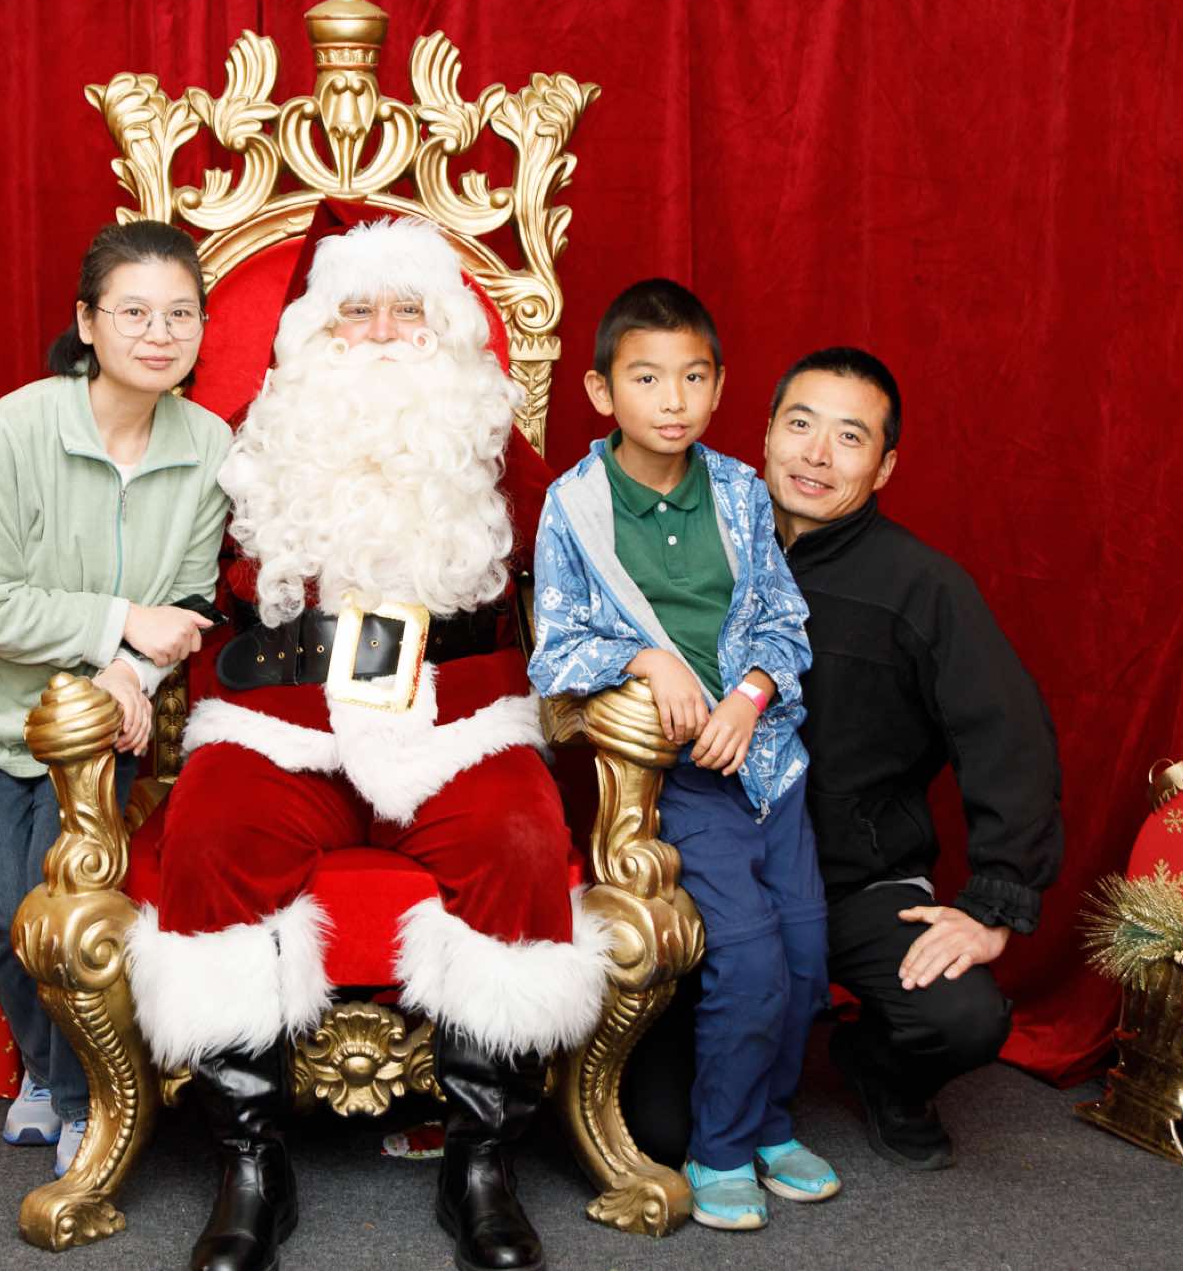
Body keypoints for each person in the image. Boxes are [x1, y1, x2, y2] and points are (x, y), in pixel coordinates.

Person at [128, 215, 605, 1271]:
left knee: (522, 840)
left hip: (455, 724)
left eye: (407, 311)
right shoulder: (256, 439)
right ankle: (250, 1163)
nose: (383, 333)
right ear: (316, 331)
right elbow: (167, 575)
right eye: (357, 310)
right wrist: (120, 661)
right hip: (282, 724)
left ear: (448, 328)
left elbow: (593, 556)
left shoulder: (489, 439)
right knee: (209, 831)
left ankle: (479, 1163)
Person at [0, 220, 232, 1181]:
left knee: (68, 905)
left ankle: (82, 1099)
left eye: (180, 314)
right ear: (87, 323)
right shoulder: (10, 431)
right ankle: (51, 1073)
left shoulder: (210, 446)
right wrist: (119, 623)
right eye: (134, 313)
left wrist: (131, 673)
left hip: (94, 721)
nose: (159, 334)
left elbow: (189, 603)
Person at [528, 280, 834, 1234]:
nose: (673, 400)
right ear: (601, 390)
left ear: (719, 386)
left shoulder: (739, 491)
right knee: (749, 960)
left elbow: (785, 621)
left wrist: (751, 693)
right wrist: (647, 657)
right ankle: (721, 1147)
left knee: (806, 955)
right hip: (679, 782)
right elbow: (554, 652)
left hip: (770, 765)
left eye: (694, 377)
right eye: (648, 377)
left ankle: (771, 1124)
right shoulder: (574, 506)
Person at [766, 346, 1063, 1170]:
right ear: (767, 433)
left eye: (849, 437)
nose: (816, 454)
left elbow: (1011, 734)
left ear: (885, 465)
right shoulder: (712, 547)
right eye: (800, 424)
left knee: (962, 1016)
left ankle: (881, 1069)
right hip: (731, 879)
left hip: (858, 883)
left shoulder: (922, 585)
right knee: (661, 1124)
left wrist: (996, 902)